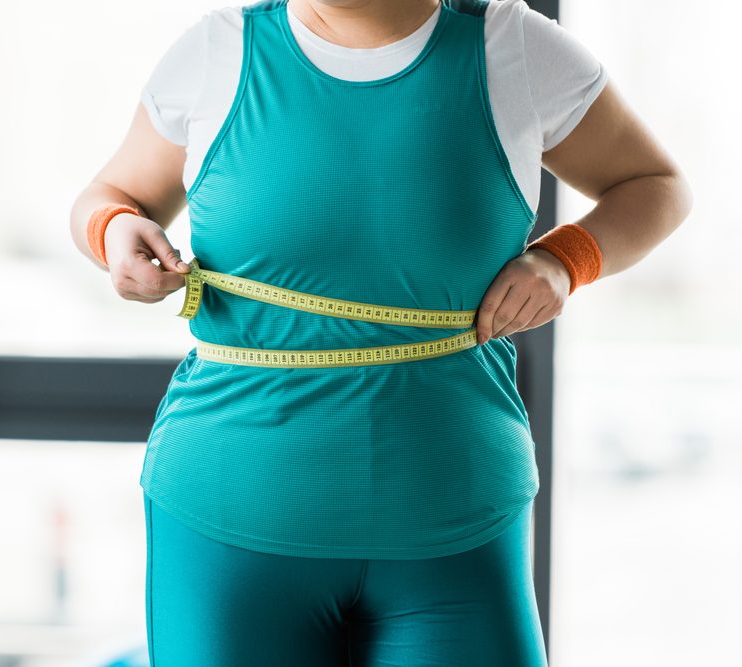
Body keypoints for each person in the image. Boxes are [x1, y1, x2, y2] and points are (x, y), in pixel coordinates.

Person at [69, 0, 693, 664]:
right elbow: (108, 195)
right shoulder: (216, 51)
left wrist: (566, 259)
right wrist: (112, 234)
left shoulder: (513, 47)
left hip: (455, 522)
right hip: (228, 522)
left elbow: (655, 184)